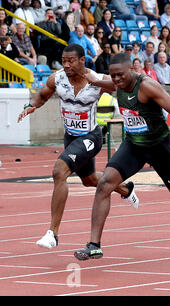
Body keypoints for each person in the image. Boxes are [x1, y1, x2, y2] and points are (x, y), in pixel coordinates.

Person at [73, 52, 170, 260]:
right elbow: (96, 79)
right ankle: (94, 245)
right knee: (105, 183)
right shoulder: (116, 83)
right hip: (133, 145)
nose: (116, 80)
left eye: (120, 75)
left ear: (132, 70)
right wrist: (78, 70)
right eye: (113, 76)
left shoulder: (147, 86)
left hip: (158, 147)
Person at [17, 44, 139, 250]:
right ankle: (126, 189)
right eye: (63, 61)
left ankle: (52, 233)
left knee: (59, 171)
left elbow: (125, 85)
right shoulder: (57, 79)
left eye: (70, 61)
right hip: (71, 138)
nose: (66, 65)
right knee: (89, 180)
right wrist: (31, 106)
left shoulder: (96, 79)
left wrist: (99, 82)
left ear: (82, 60)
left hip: (91, 137)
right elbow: (44, 95)